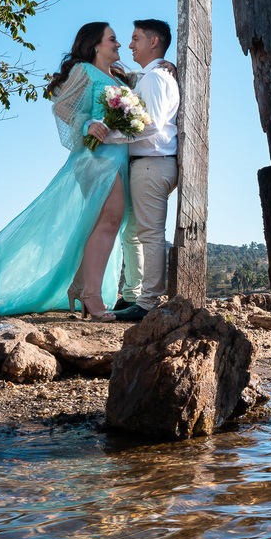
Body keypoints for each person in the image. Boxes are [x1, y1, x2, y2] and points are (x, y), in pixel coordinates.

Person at [0, 22, 131, 321]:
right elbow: (62, 107)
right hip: (95, 157)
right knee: (108, 221)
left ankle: (79, 286)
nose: (119, 44)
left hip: (120, 157)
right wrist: (89, 124)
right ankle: (91, 295)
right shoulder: (84, 72)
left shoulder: (121, 79)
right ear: (95, 45)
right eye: (112, 39)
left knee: (105, 224)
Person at [86, 19, 180, 322]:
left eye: (136, 38)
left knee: (150, 234)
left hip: (152, 162)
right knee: (136, 233)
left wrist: (108, 135)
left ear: (154, 42)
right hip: (146, 165)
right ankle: (133, 296)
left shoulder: (155, 79)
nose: (129, 44)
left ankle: (148, 303)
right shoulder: (148, 77)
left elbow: (149, 126)